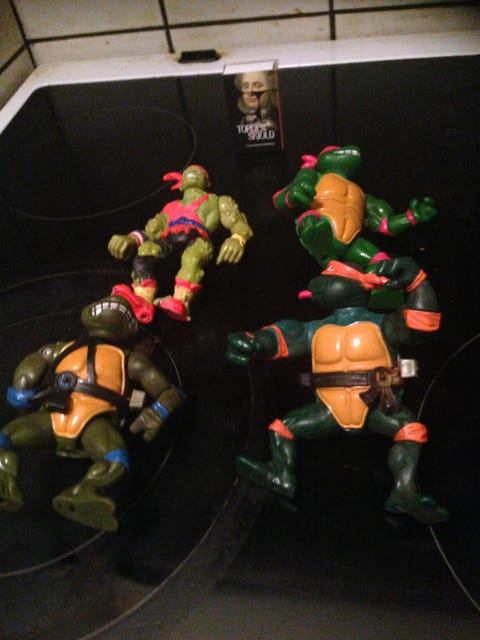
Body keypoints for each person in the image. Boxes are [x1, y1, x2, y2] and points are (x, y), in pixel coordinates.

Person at [226, 256, 448, 525]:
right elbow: (280, 338)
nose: (319, 282)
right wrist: (252, 341)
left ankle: (404, 490)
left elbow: (419, 323)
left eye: (329, 276)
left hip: (377, 405)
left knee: (411, 430)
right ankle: (281, 474)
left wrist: (418, 284)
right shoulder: (312, 330)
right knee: (282, 428)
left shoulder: (384, 324)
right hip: (328, 410)